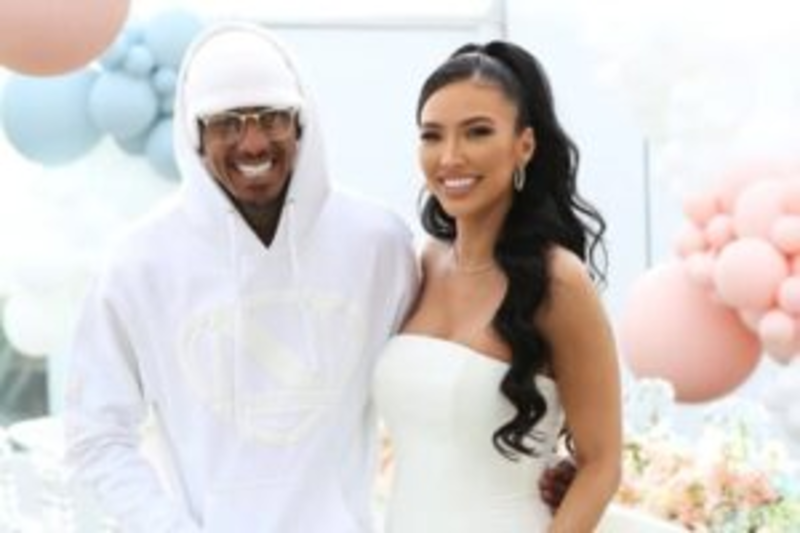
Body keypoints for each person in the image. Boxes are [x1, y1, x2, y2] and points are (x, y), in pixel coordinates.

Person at [63, 21, 418, 533]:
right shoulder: (138, 263)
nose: (252, 143)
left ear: (300, 123)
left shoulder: (379, 242)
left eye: (272, 117)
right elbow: (95, 435)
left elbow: (435, 384)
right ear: (195, 134)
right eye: (226, 123)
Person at [373, 41, 622, 532]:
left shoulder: (559, 280)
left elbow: (602, 464)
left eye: (477, 132)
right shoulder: (426, 260)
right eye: (432, 135)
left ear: (523, 145)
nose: (450, 157)